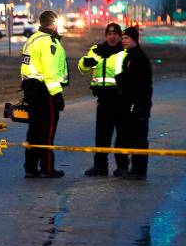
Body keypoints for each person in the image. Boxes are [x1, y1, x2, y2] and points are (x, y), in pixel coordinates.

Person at [19, 10, 68, 178]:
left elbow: (27, 65)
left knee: (34, 130)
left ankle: (30, 167)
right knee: (47, 130)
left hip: (30, 87)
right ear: (53, 24)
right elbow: (50, 71)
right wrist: (57, 94)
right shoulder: (49, 42)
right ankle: (47, 168)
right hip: (44, 90)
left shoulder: (32, 39)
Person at [78, 22, 129, 176]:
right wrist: (85, 63)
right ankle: (100, 166)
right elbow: (82, 68)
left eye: (115, 34)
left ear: (120, 36)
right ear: (106, 35)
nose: (112, 37)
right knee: (102, 135)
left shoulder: (125, 52)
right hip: (103, 99)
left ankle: (122, 166)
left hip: (120, 99)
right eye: (109, 34)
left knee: (122, 135)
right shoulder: (96, 50)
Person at [114, 26, 152, 180]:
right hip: (132, 103)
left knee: (139, 138)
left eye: (127, 38)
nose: (123, 41)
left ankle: (139, 170)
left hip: (139, 104)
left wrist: (121, 79)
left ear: (134, 40)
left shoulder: (139, 58)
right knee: (133, 137)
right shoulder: (129, 56)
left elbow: (138, 84)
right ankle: (135, 168)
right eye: (123, 38)